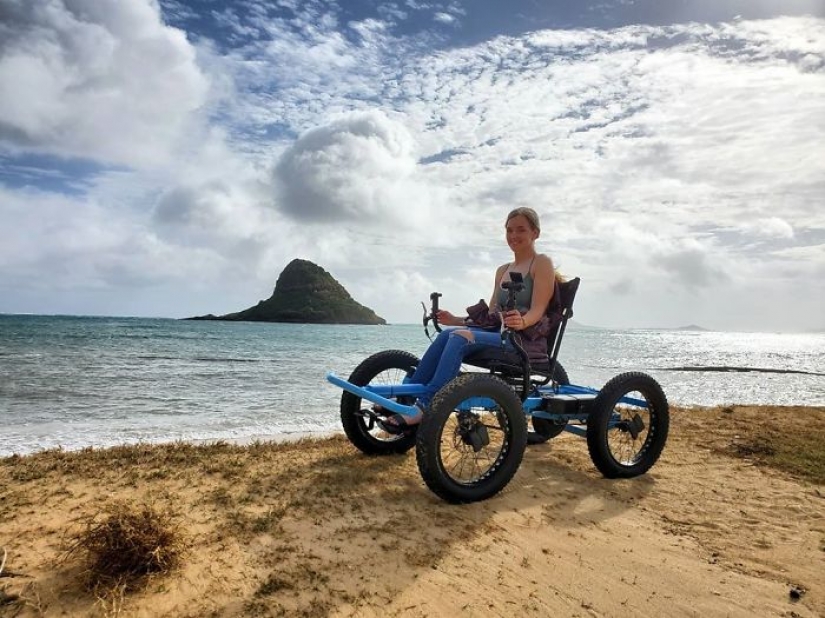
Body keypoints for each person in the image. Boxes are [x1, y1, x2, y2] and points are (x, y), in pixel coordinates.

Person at [380, 206, 558, 433]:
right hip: (500, 334)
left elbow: (538, 310)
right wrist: (456, 320)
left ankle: (426, 405)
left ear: (535, 233)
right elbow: (491, 317)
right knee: (448, 333)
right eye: (509, 230)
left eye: (521, 230)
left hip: (524, 341)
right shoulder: (503, 269)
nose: (513, 236)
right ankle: (406, 398)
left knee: (459, 339)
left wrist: (521, 322)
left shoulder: (541, 263)